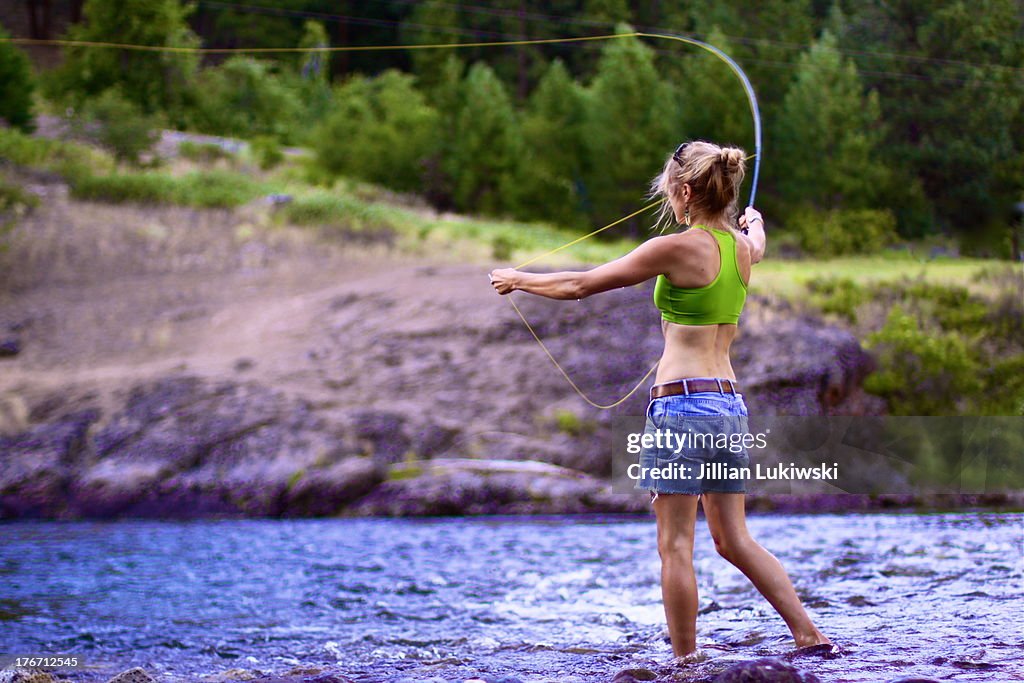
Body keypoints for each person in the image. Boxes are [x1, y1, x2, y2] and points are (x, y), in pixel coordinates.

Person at [488, 140, 831, 660]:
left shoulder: (677, 247)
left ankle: (685, 662)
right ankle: (808, 633)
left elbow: (581, 284)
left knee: (676, 546)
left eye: (672, 192)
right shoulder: (743, 249)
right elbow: (757, 241)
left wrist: (519, 279)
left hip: (682, 407)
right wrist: (755, 223)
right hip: (729, 407)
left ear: (687, 191)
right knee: (734, 540)